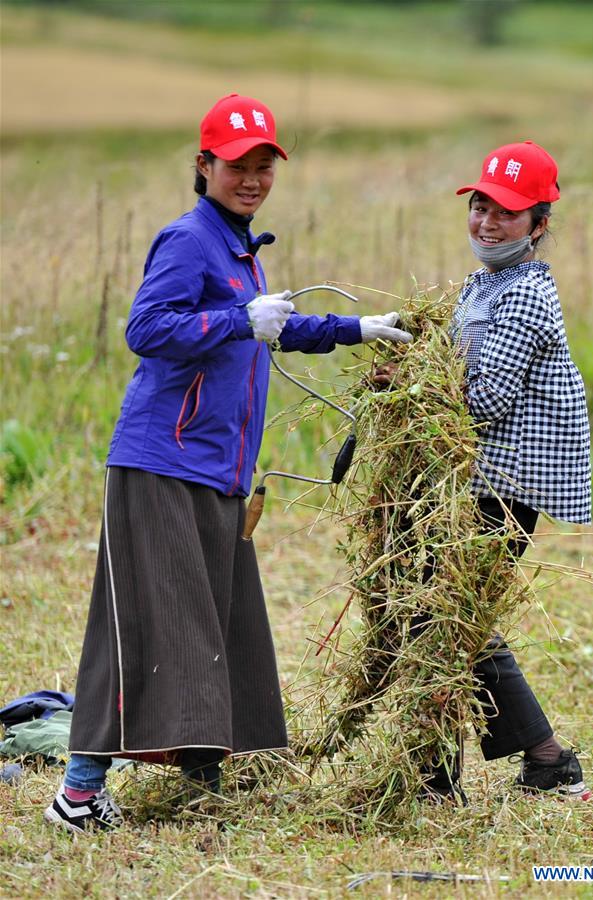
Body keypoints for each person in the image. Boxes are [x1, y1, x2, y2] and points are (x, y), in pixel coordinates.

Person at [44, 93, 412, 833]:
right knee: (146, 622)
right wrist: (235, 319)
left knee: (214, 620)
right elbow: (147, 329)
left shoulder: (238, 247)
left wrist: (357, 328)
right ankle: (77, 793)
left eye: (264, 164)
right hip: (160, 462)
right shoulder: (188, 240)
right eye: (238, 164)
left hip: (218, 469)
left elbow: (274, 327)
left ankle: (202, 775)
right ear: (204, 164)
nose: (252, 177)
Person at [377, 141, 592, 801]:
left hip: (505, 483)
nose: (487, 222)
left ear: (539, 225)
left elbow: (486, 400)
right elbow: (457, 363)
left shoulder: (526, 295)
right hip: (468, 480)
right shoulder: (484, 283)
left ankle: (518, 764)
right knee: (440, 615)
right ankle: (462, 771)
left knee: (448, 617)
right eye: (480, 206)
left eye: (507, 212)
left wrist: (413, 387)